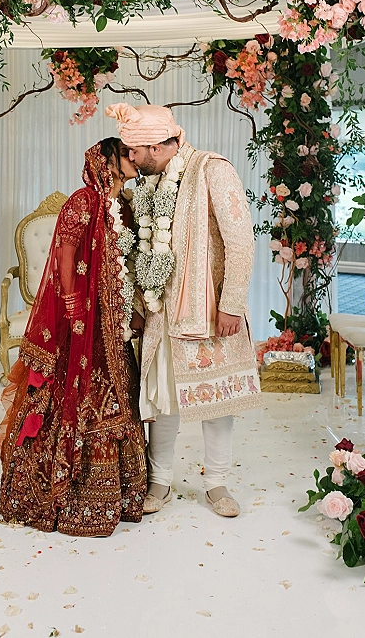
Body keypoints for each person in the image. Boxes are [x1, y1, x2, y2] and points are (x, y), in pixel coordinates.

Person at [106, 103, 261, 518]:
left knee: (218, 398)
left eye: (133, 151)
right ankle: (159, 480)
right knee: (159, 399)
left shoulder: (213, 170)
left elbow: (241, 241)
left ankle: (217, 483)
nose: (130, 158)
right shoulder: (150, 182)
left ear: (156, 147)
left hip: (209, 311)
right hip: (162, 315)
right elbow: (143, 248)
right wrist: (139, 305)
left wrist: (231, 304)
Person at [0, 138, 147, 537]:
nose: (134, 160)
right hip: (83, 323)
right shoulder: (82, 201)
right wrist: (72, 304)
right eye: (126, 155)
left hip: (113, 319)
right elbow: (64, 251)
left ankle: (118, 491)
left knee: (120, 391)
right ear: (108, 162)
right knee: (82, 395)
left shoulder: (125, 205)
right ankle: (70, 491)